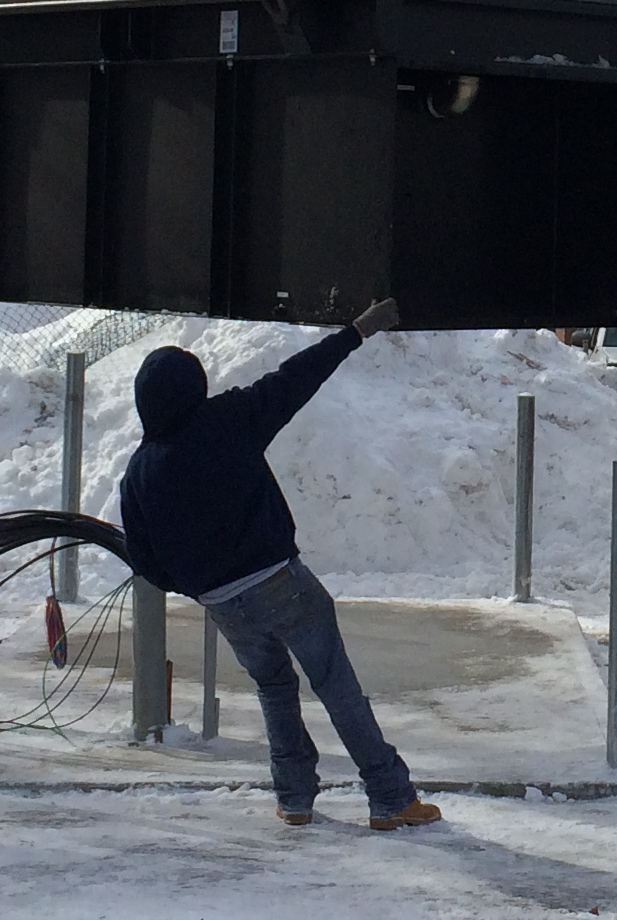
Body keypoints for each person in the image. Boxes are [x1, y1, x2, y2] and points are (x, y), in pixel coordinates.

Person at [115, 300, 441, 831]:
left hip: (223, 605)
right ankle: (390, 795)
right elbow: (294, 378)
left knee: (274, 687)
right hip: (279, 582)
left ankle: (294, 798)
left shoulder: (140, 472)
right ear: (194, 388)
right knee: (334, 682)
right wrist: (355, 333)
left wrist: (197, 584)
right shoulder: (226, 420)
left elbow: (145, 559)